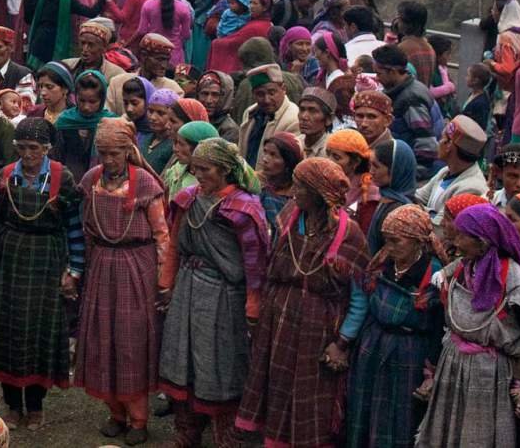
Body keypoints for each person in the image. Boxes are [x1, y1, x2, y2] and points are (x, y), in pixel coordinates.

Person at [237, 156, 369, 448]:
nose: (294, 191)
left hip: (317, 329)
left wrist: (342, 341)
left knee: (308, 394)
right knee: (277, 388)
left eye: (300, 186)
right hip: (278, 321)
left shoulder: (349, 234)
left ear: (319, 193)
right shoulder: (289, 219)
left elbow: (360, 298)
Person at [157, 136, 268, 448]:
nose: (199, 175)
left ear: (225, 170)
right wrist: (167, 284)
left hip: (223, 297)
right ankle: (187, 433)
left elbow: (254, 265)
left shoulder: (244, 209)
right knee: (182, 362)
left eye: (205, 169)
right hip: (187, 292)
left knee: (220, 367)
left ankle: (227, 440)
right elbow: (175, 245)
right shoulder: (187, 199)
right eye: (195, 169)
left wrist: (253, 306)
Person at [0, 116, 84, 429]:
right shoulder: (6, 175)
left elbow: (75, 228)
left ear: (47, 148)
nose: (27, 154)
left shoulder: (61, 177)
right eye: (22, 148)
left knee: (39, 330)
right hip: (8, 260)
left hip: (46, 260)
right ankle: (12, 405)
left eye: (34, 148)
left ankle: (36, 406)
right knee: (6, 328)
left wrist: (74, 270)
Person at [416, 202, 520, 448]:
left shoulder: (518, 284)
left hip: (489, 372)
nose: (457, 242)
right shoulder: (464, 267)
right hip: (454, 363)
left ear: (483, 241)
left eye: (463, 236)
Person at [77, 117, 171, 443]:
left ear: (129, 150)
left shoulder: (145, 184)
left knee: (131, 342)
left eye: (115, 153)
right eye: (103, 153)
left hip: (137, 267)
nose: (108, 160)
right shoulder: (92, 180)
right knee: (103, 338)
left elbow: (162, 235)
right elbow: (86, 228)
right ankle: (115, 413)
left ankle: (139, 421)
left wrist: (163, 280)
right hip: (102, 265)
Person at [340, 202, 441, 447]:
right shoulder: (381, 264)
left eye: (397, 241)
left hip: (409, 355)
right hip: (372, 348)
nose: (390, 247)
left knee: (399, 418)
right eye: (387, 240)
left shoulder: (434, 274)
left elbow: (438, 328)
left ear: (418, 240)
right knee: (364, 411)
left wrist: (431, 371)